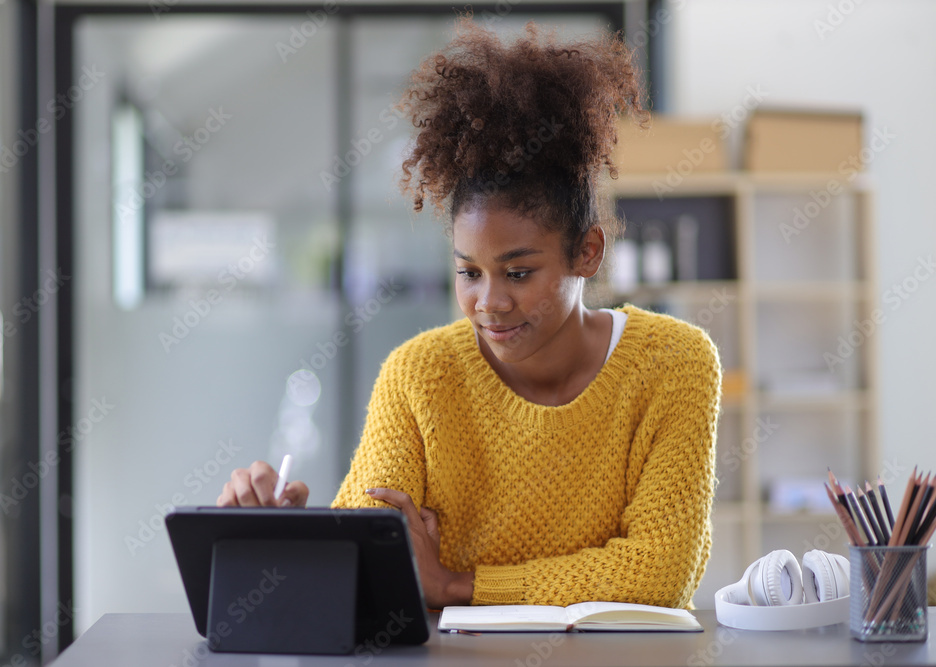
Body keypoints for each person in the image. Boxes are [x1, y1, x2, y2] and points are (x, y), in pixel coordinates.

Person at [218, 17, 722, 611]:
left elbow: (661, 572)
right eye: (468, 272)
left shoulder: (674, 363)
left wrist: (456, 585)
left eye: (518, 272)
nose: (490, 302)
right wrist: (284, 537)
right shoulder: (420, 376)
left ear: (587, 252)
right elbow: (368, 559)